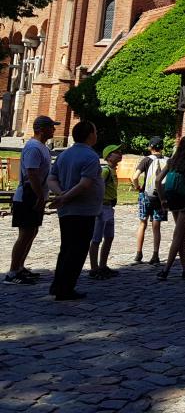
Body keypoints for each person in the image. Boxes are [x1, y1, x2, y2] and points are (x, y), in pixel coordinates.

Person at [47, 120, 103, 300]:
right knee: (77, 250)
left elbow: (51, 178)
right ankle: (66, 288)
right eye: (95, 131)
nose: (96, 134)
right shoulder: (91, 157)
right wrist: (65, 196)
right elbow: (85, 184)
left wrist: (62, 194)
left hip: (67, 210)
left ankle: (58, 285)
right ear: (89, 135)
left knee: (66, 248)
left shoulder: (65, 155)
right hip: (83, 210)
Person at [6, 115, 57, 285]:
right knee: (25, 233)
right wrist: (40, 197)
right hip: (28, 195)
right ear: (41, 129)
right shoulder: (33, 148)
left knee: (32, 232)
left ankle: (20, 266)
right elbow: (31, 173)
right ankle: (13, 271)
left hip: (35, 195)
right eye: (51, 127)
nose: (54, 130)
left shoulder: (41, 147)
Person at [155, 136, 185, 280]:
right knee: (179, 234)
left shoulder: (171, 161)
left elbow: (158, 180)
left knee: (182, 233)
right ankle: (166, 270)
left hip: (171, 197)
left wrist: (162, 199)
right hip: (184, 198)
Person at [88, 145, 123, 280]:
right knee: (96, 239)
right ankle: (94, 268)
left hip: (110, 207)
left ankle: (103, 265)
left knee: (109, 237)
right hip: (101, 207)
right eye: (116, 153)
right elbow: (97, 186)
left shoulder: (113, 171)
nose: (120, 154)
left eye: (120, 152)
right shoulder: (105, 171)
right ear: (108, 156)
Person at [132, 136, 167, 265]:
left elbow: (134, 177)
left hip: (146, 195)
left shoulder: (146, 160)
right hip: (161, 197)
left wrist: (138, 188)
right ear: (162, 148)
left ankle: (138, 253)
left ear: (150, 147)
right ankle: (155, 254)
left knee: (143, 223)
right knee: (156, 226)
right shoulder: (168, 161)